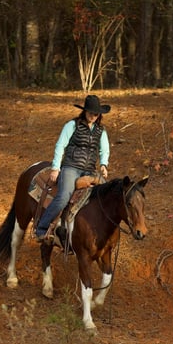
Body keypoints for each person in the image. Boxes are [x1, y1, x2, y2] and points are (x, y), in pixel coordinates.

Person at [34, 94, 111, 241]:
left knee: (105, 195)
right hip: (71, 167)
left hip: (89, 170)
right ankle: (41, 228)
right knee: (64, 197)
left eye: (96, 113)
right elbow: (60, 145)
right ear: (85, 111)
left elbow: (104, 150)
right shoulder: (72, 125)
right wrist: (56, 167)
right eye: (91, 113)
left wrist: (103, 164)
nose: (93, 116)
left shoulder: (101, 131)